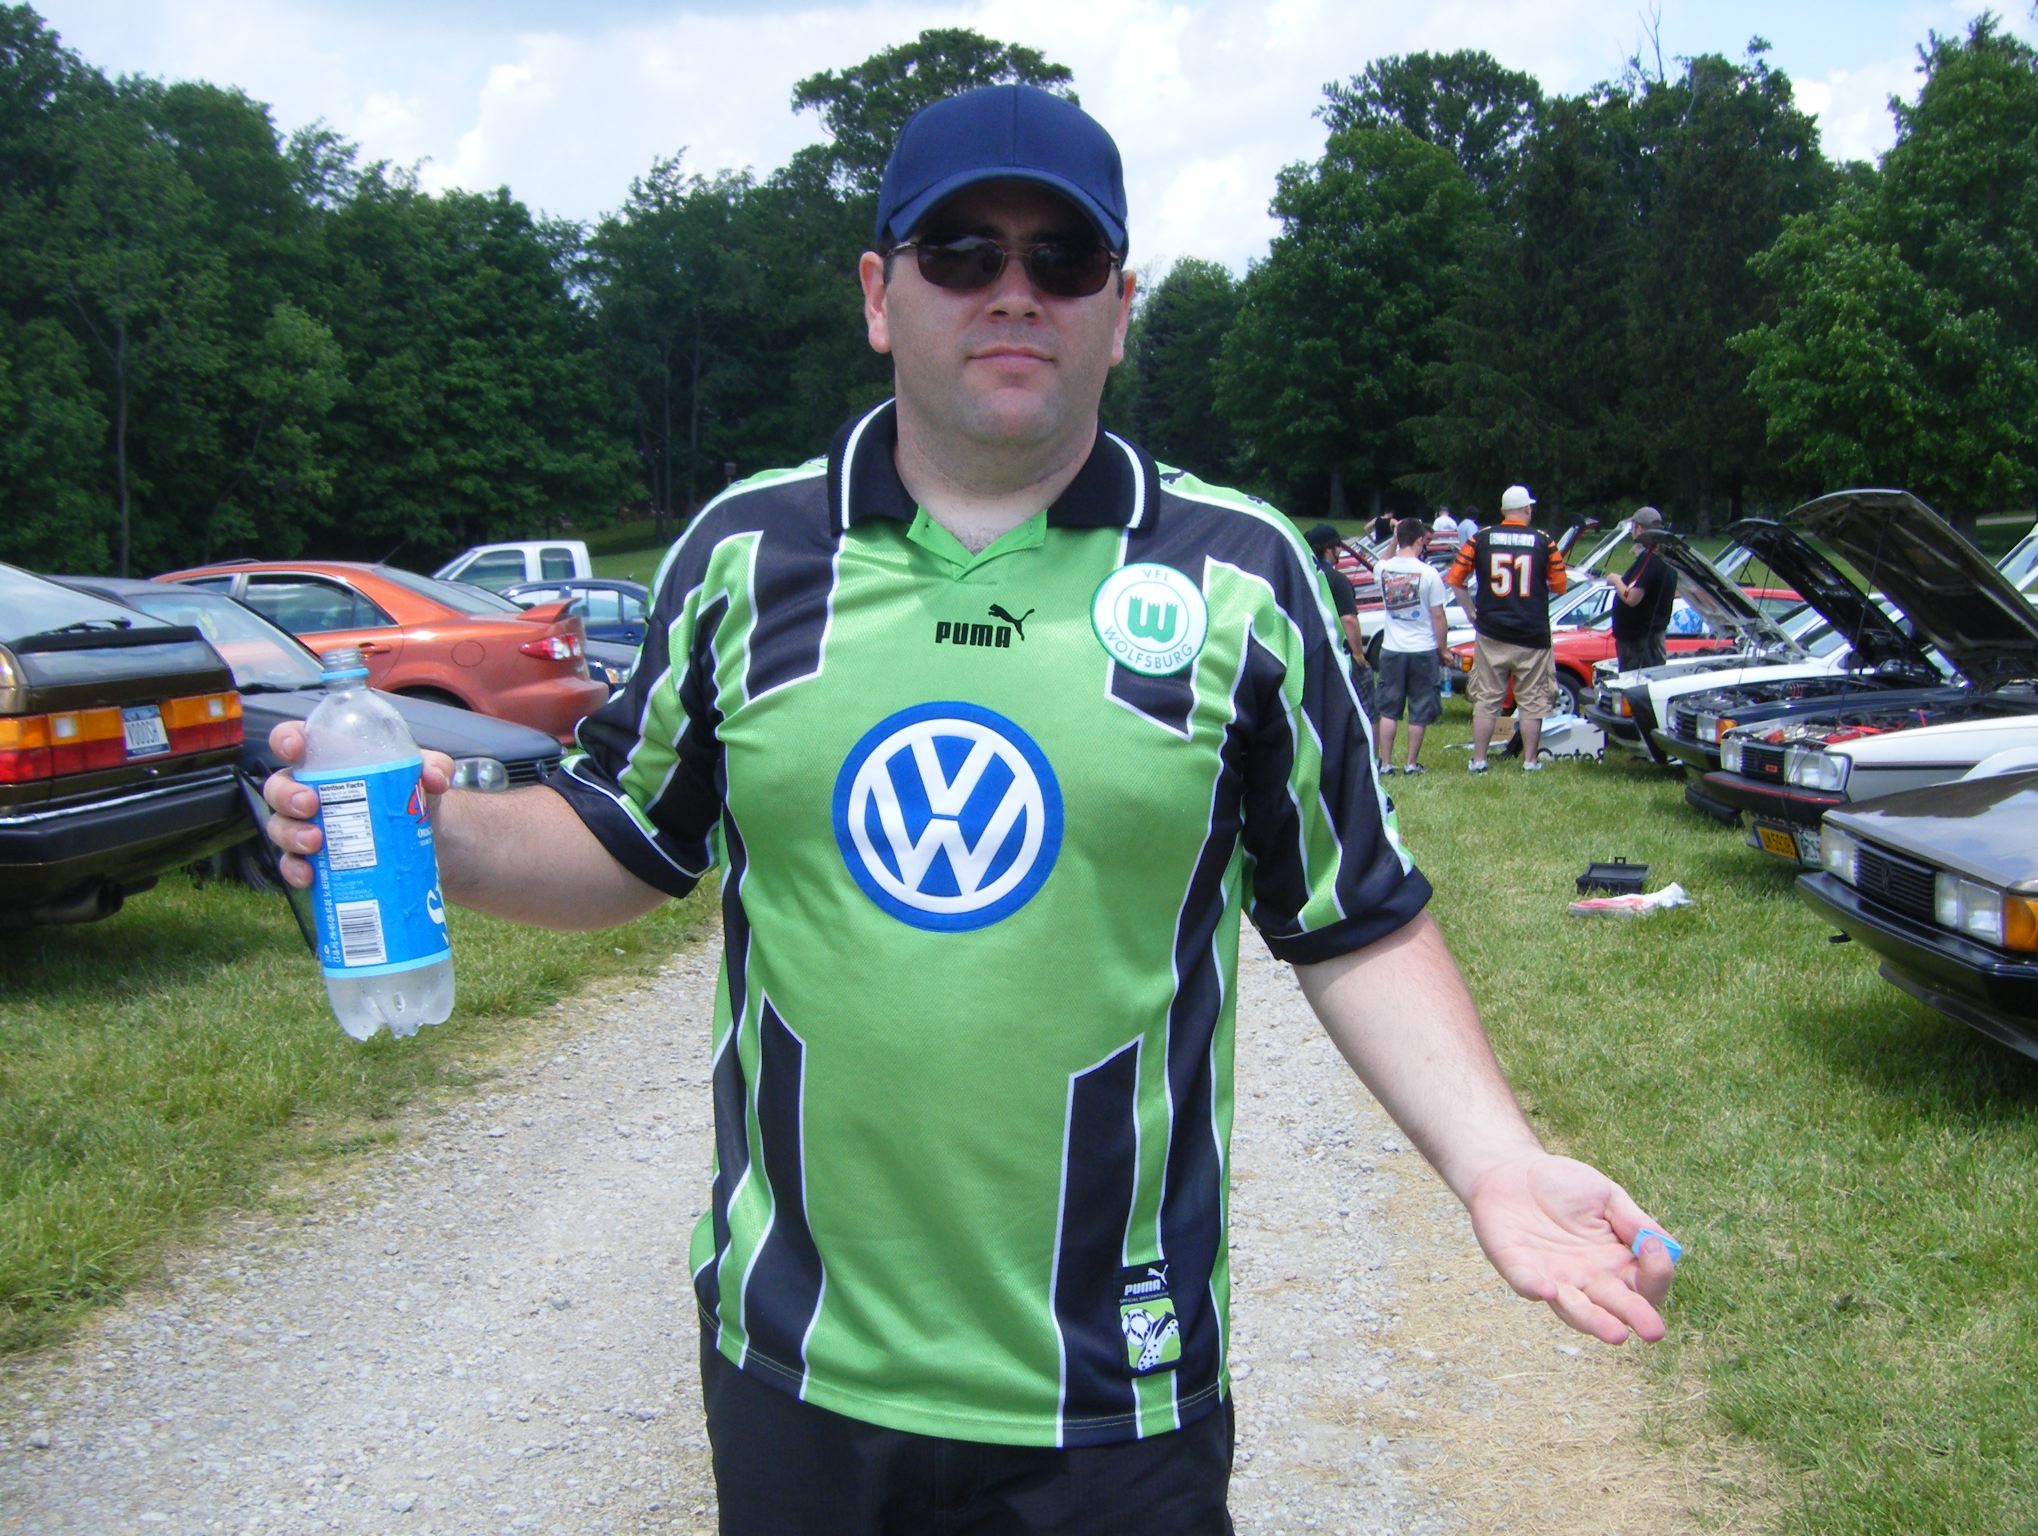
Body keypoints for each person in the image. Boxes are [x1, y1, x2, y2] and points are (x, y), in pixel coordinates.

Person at [261, 86, 1675, 1536]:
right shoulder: (746, 556)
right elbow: (624, 845)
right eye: (960, 253)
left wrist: (1497, 1164)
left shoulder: (1237, 576)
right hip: (797, 1371)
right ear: (881, 296)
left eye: (1062, 258)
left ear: (1118, 307)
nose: (1013, 291)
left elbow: (1352, 917)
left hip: (1115, 1392)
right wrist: (428, 832)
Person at [1445, 484, 1569, 773]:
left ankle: (1479, 760)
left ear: (1502, 511)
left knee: (1487, 699)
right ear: (1527, 509)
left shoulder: (1480, 538)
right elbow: (1560, 586)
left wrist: (1471, 611)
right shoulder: (1544, 541)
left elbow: (1455, 579)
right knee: (1532, 702)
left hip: (1492, 632)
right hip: (1532, 633)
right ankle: (1530, 761)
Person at [1373, 518, 1456, 774]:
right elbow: (1438, 616)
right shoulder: (1429, 574)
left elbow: (1382, 560)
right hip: (1422, 647)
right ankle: (1410, 763)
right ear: (1420, 540)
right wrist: (1443, 649)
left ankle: (1386, 762)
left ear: (1399, 539)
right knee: (1419, 708)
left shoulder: (1383, 569)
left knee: (1389, 709)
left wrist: (1394, 539)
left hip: (1392, 647)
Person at [1306, 521, 1372, 698]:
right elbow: (1348, 620)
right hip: (1336, 654)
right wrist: (1358, 654)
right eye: (1339, 546)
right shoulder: (1337, 580)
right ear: (1329, 549)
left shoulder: (1303, 575)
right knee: (1362, 704)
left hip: (1308, 653)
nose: (1341, 550)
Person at [1608, 506, 1677, 673]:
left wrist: (1615, 580)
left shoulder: (1651, 558)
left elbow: (1632, 598)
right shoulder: (1664, 556)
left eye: (1633, 527)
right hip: (1646, 638)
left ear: (1638, 528)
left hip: (1640, 642)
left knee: (1637, 684)